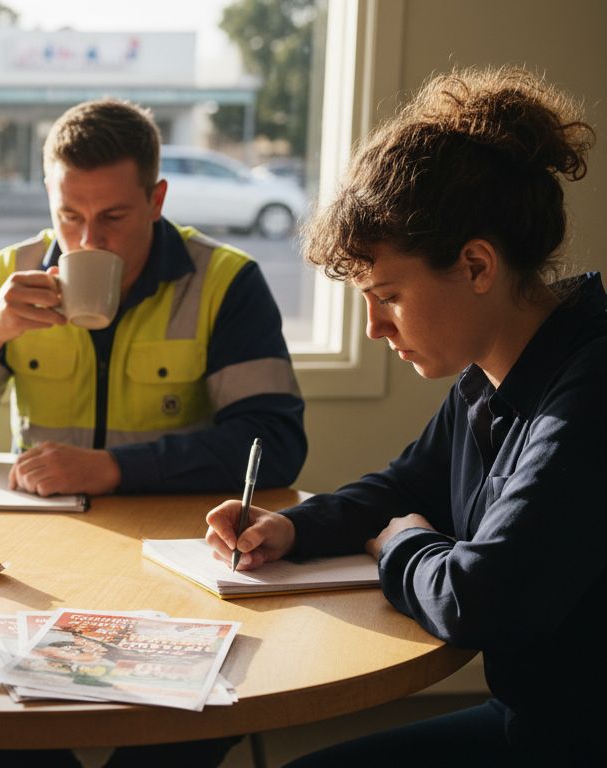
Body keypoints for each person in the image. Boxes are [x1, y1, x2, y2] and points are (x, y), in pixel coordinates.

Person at [205, 67, 602, 765]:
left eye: (386, 295)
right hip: (535, 719)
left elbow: (479, 600)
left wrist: (400, 548)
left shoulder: (592, 386)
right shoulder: (496, 370)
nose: (374, 329)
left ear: (477, 265)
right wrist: (293, 526)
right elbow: (409, 488)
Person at [0, 98, 306, 498]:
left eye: (113, 216)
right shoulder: (5, 277)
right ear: (49, 198)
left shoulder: (225, 282)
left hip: (169, 532)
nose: (89, 240)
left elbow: (275, 447)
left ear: (156, 201)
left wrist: (114, 468)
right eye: (69, 216)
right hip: (45, 527)